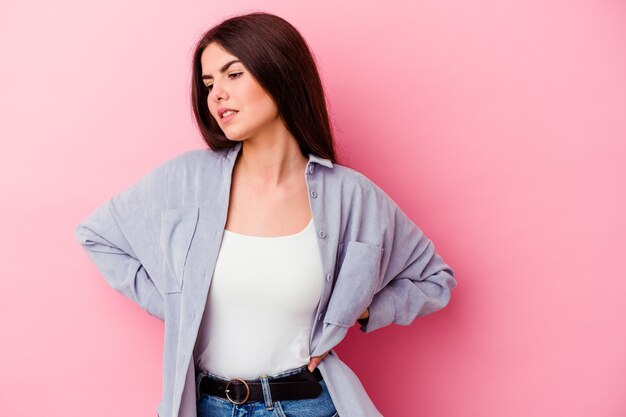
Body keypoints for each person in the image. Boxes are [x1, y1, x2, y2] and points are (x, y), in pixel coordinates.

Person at [74, 11, 457, 417]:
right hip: (208, 406)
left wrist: (358, 308)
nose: (216, 94)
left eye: (233, 75)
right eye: (208, 83)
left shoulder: (352, 196)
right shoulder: (185, 180)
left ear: (280, 74)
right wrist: (177, 303)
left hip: (308, 405)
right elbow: (98, 236)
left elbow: (435, 279)